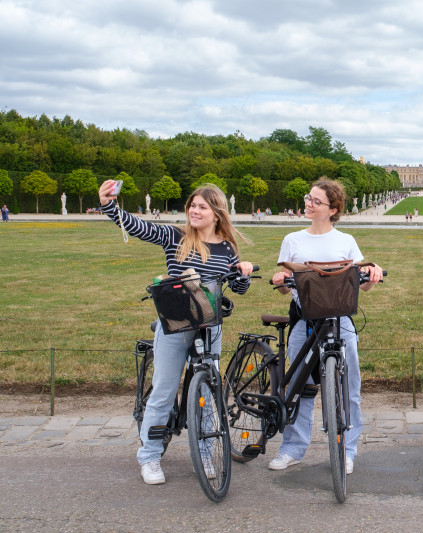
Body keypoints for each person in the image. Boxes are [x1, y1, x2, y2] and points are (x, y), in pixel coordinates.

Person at [97, 180, 254, 485]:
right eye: (192, 206)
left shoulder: (226, 248)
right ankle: (150, 456)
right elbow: (140, 227)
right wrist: (109, 206)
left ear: (217, 213)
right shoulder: (176, 236)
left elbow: (238, 287)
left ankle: (207, 451)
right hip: (175, 325)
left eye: (202, 207)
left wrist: (243, 272)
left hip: (210, 329)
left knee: (209, 394)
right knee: (165, 392)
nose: (195, 211)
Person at [269, 179, 383, 476]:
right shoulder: (293, 239)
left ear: (333, 209)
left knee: (349, 388)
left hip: (339, 320)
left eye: (316, 201)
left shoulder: (345, 241)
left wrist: (373, 275)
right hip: (303, 319)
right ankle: (292, 449)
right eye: (309, 198)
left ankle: (346, 449)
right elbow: (284, 289)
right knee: (299, 388)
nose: (308, 203)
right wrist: (280, 281)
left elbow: (363, 285)